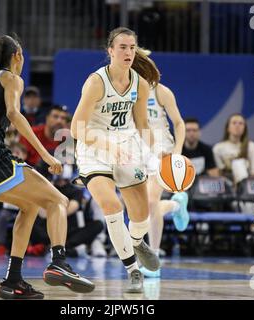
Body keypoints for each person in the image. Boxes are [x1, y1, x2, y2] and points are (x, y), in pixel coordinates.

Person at [0, 29, 94, 299]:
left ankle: (12, 280)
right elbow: (15, 113)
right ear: (17, 56)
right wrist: (48, 156)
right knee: (57, 201)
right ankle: (59, 262)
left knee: (29, 206)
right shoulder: (11, 78)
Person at [71, 27, 160, 293]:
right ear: (110, 51)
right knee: (110, 205)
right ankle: (133, 270)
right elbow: (76, 128)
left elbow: (143, 124)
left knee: (141, 215)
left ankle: (135, 241)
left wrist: (156, 157)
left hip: (126, 144)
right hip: (94, 146)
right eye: (122, 47)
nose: (128, 52)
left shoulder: (140, 84)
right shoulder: (96, 82)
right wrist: (105, 144)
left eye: (132, 47)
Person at [132, 53, 189, 278]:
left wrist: (177, 153)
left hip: (162, 150)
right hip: (138, 151)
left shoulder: (161, 91)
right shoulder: (126, 92)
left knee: (151, 200)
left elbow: (179, 123)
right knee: (142, 209)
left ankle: (153, 257)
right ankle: (176, 205)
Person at [213, 113, 254, 184]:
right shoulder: (218, 148)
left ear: (244, 128)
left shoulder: (251, 146)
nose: (237, 126)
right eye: (234, 123)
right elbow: (217, 172)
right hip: (226, 185)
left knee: (239, 164)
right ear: (227, 128)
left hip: (248, 185)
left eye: (241, 123)